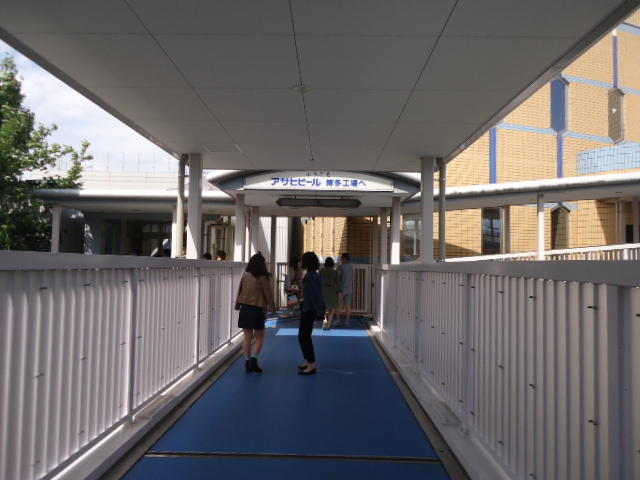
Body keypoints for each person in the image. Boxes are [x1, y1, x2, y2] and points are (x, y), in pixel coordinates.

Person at [234, 253, 276, 373]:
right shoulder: (262, 277)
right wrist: (273, 309)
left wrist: (237, 305)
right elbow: (268, 294)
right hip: (257, 309)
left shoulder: (245, 275)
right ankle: (254, 359)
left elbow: (240, 291)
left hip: (244, 308)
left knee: (247, 337)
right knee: (260, 336)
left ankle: (247, 361)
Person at [296, 252, 324, 375]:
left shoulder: (311, 277)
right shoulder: (313, 275)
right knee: (304, 336)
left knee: (304, 337)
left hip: (309, 310)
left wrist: (319, 312)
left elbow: (315, 296)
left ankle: (311, 365)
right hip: (308, 309)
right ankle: (309, 362)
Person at [320, 257, 340, 330]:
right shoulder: (335, 272)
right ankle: (328, 325)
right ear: (332, 264)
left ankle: (324, 322)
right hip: (331, 290)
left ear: (325, 263)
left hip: (323, 290)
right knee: (331, 310)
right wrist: (338, 292)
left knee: (324, 309)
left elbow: (318, 281)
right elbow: (338, 284)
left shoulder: (321, 271)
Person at [337, 252, 355, 327]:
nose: (341, 259)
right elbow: (353, 278)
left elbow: (337, 277)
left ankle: (338, 320)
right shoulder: (352, 267)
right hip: (349, 288)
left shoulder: (341, 267)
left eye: (341, 258)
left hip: (342, 288)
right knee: (348, 306)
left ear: (344, 258)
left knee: (338, 305)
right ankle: (347, 321)